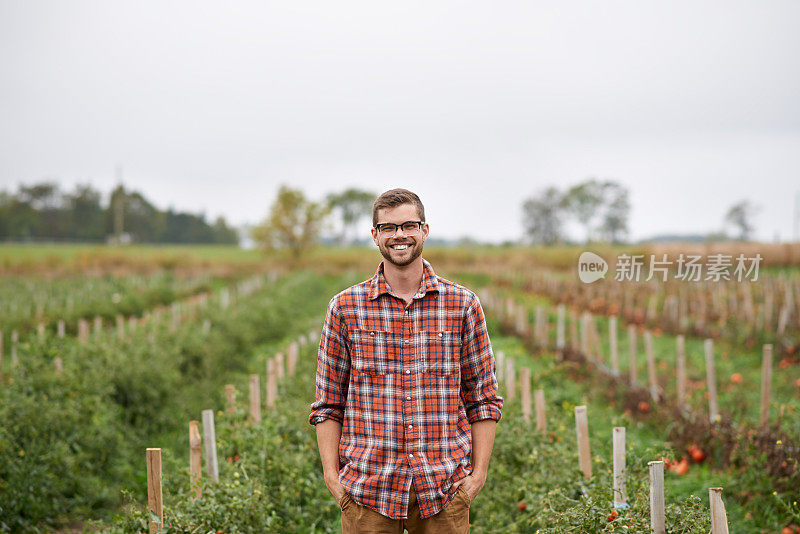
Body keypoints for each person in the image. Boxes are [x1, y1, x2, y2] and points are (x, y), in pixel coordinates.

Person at [308, 188, 503, 533]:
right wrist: (333, 480)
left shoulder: (462, 305)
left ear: (424, 230)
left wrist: (477, 477)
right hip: (368, 490)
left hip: (445, 488)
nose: (399, 235)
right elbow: (328, 403)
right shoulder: (345, 308)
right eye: (388, 228)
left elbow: (483, 398)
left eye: (408, 225)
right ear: (375, 236)